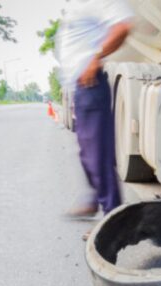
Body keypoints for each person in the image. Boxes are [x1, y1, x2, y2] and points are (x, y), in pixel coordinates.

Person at [55, 0, 133, 234]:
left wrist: (95, 58)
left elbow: (122, 26)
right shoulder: (73, 7)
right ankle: (93, 200)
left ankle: (114, 221)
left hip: (91, 83)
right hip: (79, 89)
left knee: (98, 155)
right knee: (87, 153)